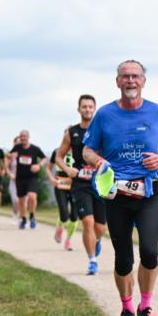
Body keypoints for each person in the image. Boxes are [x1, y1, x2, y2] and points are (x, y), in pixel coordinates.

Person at [82, 60, 158, 316]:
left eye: (136, 76)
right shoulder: (105, 114)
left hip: (147, 193)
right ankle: (126, 309)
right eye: (125, 77)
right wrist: (99, 161)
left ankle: (145, 309)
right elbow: (87, 150)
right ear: (118, 82)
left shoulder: (156, 111)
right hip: (117, 195)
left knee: (149, 250)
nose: (131, 81)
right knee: (123, 259)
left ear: (144, 81)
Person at [57, 94, 106, 275]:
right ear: (79, 109)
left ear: (94, 109)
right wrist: (68, 170)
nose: (87, 109)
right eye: (84, 106)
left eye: (90, 107)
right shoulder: (72, 132)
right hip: (80, 184)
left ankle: (98, 239)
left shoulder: (102, 130)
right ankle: (92, 260)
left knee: (100, 227)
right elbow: (59, 157)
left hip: (100, 183)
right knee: (87, 221)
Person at [7, 130, 46, 229]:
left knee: (32, 196)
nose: (23, 138)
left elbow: (44, 158)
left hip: (32, 177)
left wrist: (39, 165)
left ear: (28, 137)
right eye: (21, 137)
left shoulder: (35, 149)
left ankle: (32, 216)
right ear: (19, 138)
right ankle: (23, 218)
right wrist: (11, 156)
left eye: (25, 136)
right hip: (20, 178)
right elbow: (7, 156)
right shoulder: (17, 148)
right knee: (21, 200)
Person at [47, 148, 78, 250]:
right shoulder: (57, 151)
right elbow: (48, 168)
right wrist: (52, 179)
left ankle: (68, 240)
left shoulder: (81, 150)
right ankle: (60, 228)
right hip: (60, 184)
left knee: (74, 216)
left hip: (76, 186)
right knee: (64, 215)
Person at [8, 135, 20, 219]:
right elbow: (6, 167)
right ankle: (15, 213)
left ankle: (20, 217)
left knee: (21, 200)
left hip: (22, 180)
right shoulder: (11, 155)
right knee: (15, 200)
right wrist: (10, 174)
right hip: (13, 181)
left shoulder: (25, 153)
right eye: (17, 142)